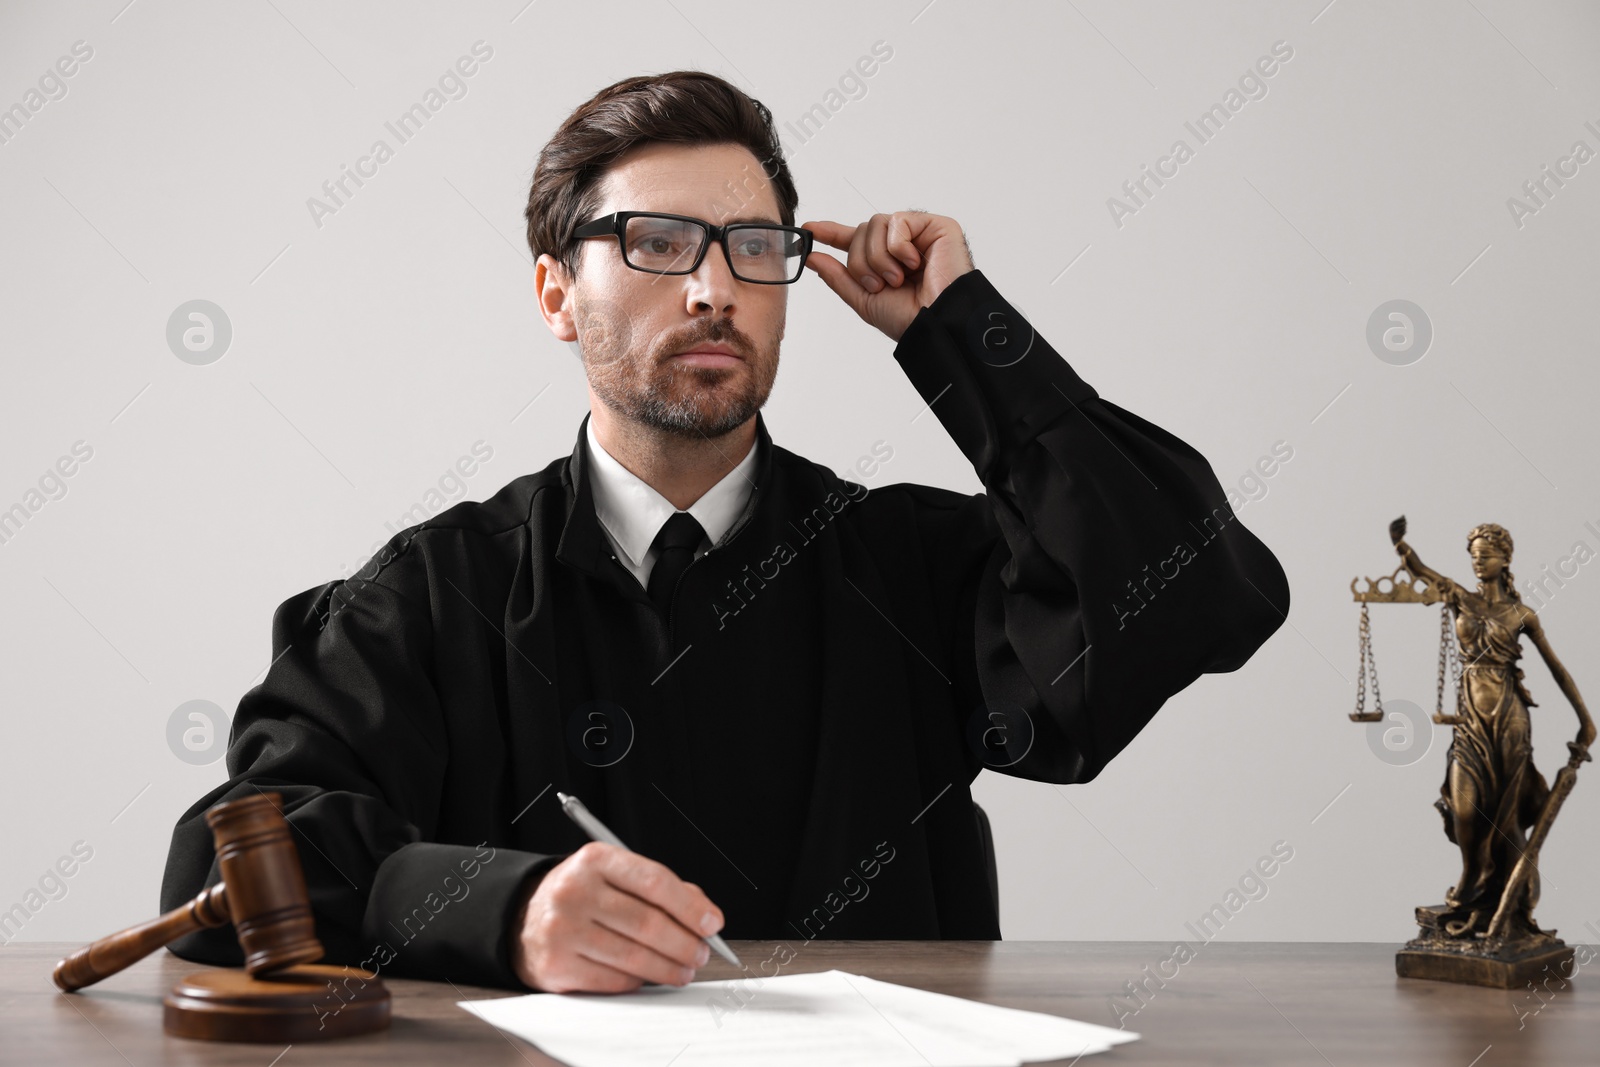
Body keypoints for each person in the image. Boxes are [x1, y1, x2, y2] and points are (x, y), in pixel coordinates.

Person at [160, 70, 1290, 994]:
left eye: (755, 246)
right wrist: (500, 910)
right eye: (657, 243)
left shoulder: (913, 571)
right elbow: (224, 860)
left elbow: (1196, 589)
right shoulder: (429, 593)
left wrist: (962, 335)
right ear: (555, 293)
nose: (714, 288)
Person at [1392, 521, 1595, 938]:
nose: (1477, 560)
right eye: (1473, 554)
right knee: (1465, 810)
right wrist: (1402, 548)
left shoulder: (1521, 615)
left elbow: (1556, 669)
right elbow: (1425, 573)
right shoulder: (1460, 600)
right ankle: (1472, 880)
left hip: (1510, 720)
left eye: (1486, 554)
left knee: (1507, 815)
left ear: (1505, 560)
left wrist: (1586, 719)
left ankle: (1508, 904)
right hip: (1469, 723)